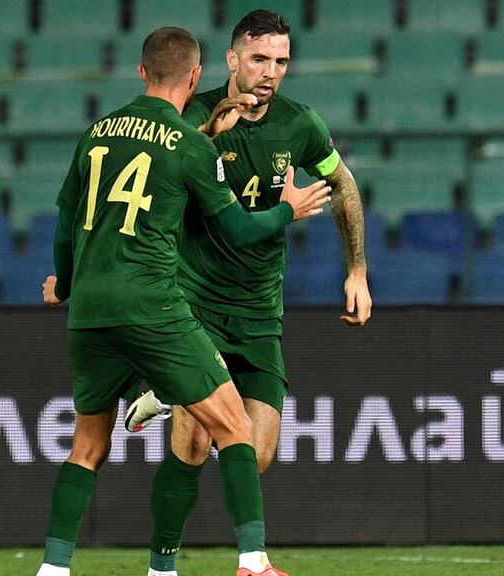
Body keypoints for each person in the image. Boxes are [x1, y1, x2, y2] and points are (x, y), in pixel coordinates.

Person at [34, 26, 330, 576]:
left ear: (141, 71)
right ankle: (254, 562)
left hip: (90, 312)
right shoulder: (189, 143)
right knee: (234, 426)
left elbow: (64, 229)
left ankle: (53, 569)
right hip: (155, 307)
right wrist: (288, 209)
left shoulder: (96, 133)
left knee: (87, 447)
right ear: (196, 77)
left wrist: (65, 286)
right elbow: (238, 229)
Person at [124, 10, 371, 576]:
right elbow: (155, 176)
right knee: (192, 446)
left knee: (256, 455)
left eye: (281, 61)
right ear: (232, 60)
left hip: (260, 311)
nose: (271, 72)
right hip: (195, 306)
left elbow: (342, 183)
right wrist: (208, 135)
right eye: (259, 59)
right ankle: (164, 568)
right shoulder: (194, 114)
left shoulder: (299, 124)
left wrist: (357, 270)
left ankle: (165, 393)